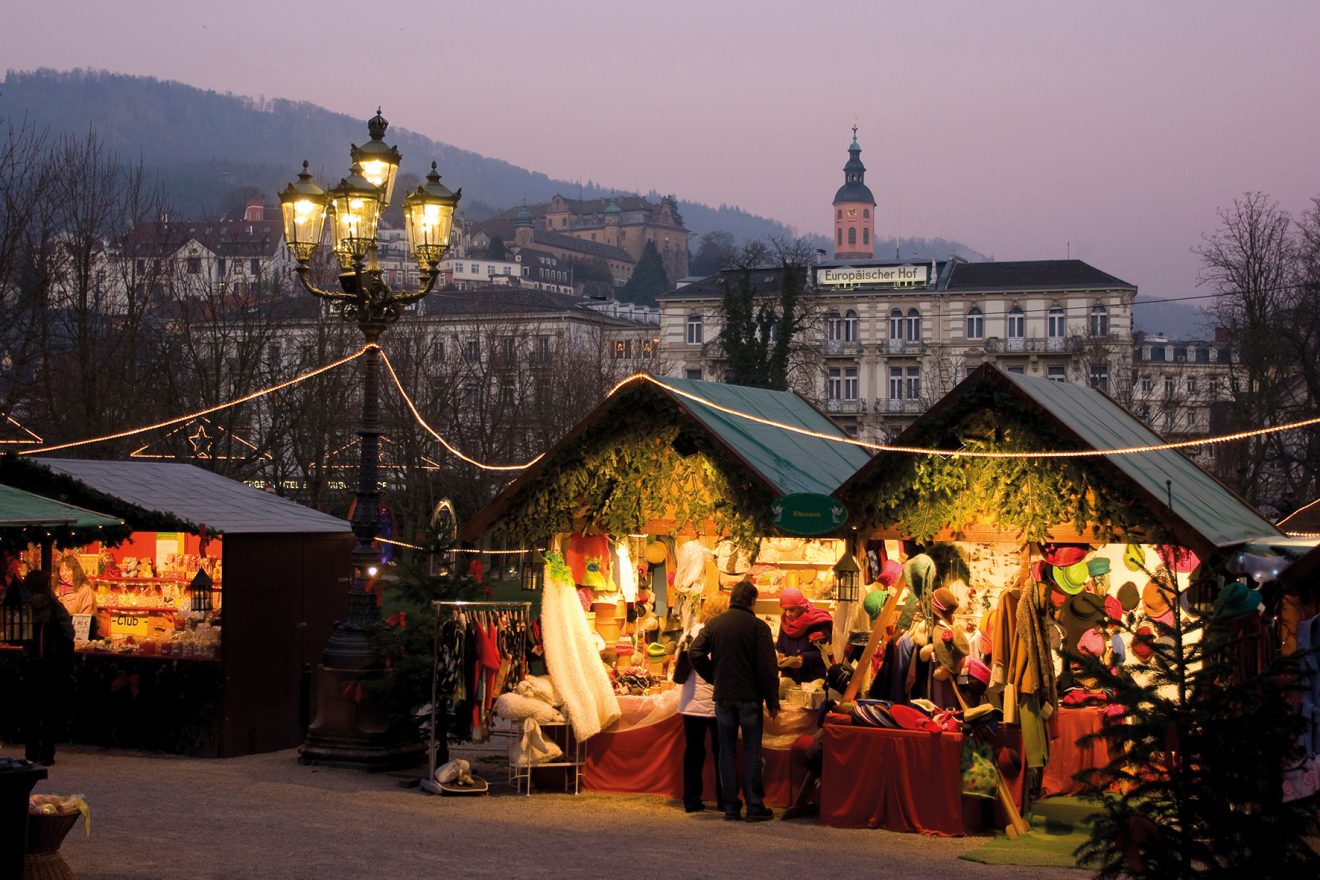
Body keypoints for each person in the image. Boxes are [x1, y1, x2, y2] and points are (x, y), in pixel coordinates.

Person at [688, 580, 779, 822]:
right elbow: (768, 667)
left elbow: (694, 653)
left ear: (732, 599)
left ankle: (730, 806)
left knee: (726, 752)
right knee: (751, 751)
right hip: (750, 698)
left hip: (724, 697)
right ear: (752, 601)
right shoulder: (758, 627)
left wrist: (714, 676)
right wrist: (772, 698)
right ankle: (754, 806)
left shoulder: (715, 624)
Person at [676, 592, 728, 813]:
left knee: (693, 751)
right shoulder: (721, 633)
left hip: (691, 702)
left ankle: (691, 799)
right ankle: (725, 800)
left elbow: (680, 660)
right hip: (717, 700)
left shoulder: (691, 632)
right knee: (722, 752)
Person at [22, 570, 75, 765]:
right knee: (49, 709)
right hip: (51, 664)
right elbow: (69, 631)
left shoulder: (23, 605)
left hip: (30, 662)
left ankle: (31, 751)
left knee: (31, 709)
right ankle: (46, 752)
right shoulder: (54, 606)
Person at [775, 587, 833, 684]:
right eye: (785, 609)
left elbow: (828, 654)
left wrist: (803, 658)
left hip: (813, 679)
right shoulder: (785, 622)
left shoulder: (819, 622)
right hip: (790, 679)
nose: (788, 614)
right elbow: (780, 646)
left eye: (792, 609)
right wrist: (781, 657)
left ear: (801, 606)